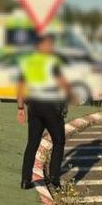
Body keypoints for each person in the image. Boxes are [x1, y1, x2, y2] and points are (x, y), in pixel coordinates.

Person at [16, 34, 73, 190]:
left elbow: (20, 86)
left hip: (33, 106)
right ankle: (54, 177)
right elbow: (63, 84)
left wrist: (20, 108)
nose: (51, 47)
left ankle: (25, 180)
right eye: (49, 44)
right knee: (59, 141)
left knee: (32, 143)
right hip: (50, 107)